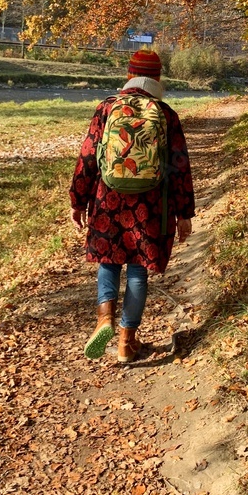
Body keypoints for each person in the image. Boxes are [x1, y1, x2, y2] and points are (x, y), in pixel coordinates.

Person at [70, 48, 195, 364]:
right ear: (157, 78)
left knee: (109, 262)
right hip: (151, 206)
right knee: (138, 270)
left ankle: (104, 318)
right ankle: (127, 341)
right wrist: (184, 214)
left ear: (129, 76)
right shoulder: (165, 114)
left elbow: (87, 158)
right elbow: (180, 167)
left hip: (107, 201)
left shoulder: (107, 108)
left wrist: (78, 200)